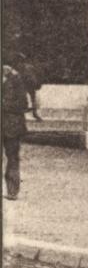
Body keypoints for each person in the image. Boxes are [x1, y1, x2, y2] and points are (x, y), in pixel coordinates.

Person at [2, 57, 40, 200]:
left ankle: (12, 191)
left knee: (12, 158)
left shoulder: (17, 81)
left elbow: (22, 105)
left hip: (12, 126)